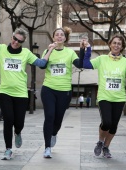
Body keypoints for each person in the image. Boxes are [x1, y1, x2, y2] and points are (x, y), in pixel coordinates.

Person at [0, 28, 52, 160]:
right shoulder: (1, 49)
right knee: (8, 120)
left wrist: (50, 49)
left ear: (23, 42)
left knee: (19, 122)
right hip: (5, 92)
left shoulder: (26, 53)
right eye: (14, 39)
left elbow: (41, 63)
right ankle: (8, 149)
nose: (16, 42)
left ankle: (18, 132)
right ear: (12, 37)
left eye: (19, 41)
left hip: (21, 94)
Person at [82, 34, 126, 158]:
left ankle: (106, 147)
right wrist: (88, 49)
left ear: (122, 47)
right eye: (114, 43)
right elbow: (86, 64)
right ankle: (100, 141)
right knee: (106, 123)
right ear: (110, 44)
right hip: (104, 96)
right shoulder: (102, 59)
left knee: (114, 125)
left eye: (119, 44)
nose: (116, 45)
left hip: (119, 98)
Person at [41, 26, 84, 158]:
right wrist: (50, 50)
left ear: (65, 38)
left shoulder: (70, 53)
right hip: (48, 88)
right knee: (49, 116)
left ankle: (54, 134)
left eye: (62, 35)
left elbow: (79, 64)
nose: (59, 36)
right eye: (57, 35)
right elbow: (42, 65)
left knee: (58, 120)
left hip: (64, 91)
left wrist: (82, 49)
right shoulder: (47, 50)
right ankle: (47, 147)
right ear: (53, 37)